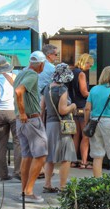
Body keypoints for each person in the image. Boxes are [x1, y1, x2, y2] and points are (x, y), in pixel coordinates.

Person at [14, 51, 48, 203]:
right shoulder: (33, 75)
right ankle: (28, 191)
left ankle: (24, 191)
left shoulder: (21, 73)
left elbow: (18, 91)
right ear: (41, 64)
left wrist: (21, 114)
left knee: (27, 155)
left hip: (22, 122)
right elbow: (19, 91)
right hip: (31, 119)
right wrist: (23, 113)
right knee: (40, 155)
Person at [41, 63, 77, 192]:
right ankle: (63, 186)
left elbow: (41, 109)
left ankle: (47, 184)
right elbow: (62, 110)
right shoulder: (62, 89)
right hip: (62, 126)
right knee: (66, 157)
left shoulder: (47, 88)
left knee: (50, 157)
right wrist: (72, 106)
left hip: (50, 125)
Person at [0, 55, 21, 181]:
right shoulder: (13, 77)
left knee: (1, 143)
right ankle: (18, 171)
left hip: (0, 112)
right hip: (13, 111)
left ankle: (2, 174)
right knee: (17, 141)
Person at [68, 53, 94, 169]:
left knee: (76, 135)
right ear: (85, 62)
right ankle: (84, 161)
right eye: (90, 64)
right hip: (82, 107)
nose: (91, 66)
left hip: (73, 107)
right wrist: (94, 94)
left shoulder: (72, 72)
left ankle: (72, 161)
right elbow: (84, 92)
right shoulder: (81, 74)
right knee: (85, 135)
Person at [38, 44, 57, 179]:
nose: (56, 57)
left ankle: (39, 167)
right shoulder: (52, 69)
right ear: (49, 55)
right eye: (56, 54)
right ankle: (42, 168)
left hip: (33, 105)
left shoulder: (33, 67)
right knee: (44, 139)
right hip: (45, 107)